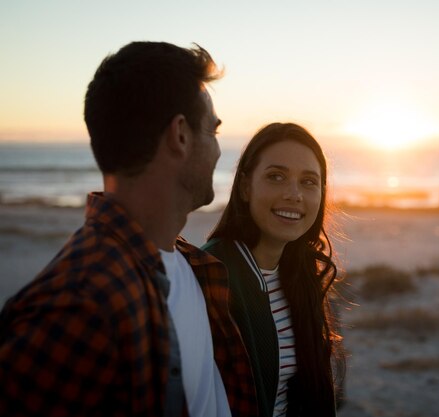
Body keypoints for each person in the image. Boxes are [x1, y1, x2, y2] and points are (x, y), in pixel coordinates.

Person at [0, 41, 256, 417]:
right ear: (180, 135)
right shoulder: (82, 302)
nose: (219, 152)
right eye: (213, 131)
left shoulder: (193, 266)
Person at [202, 122, 345, 417]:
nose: (294, 194)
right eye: (276, 177)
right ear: (244, 186)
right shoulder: (210, 275)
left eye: (309, 182)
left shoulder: (301, 275)